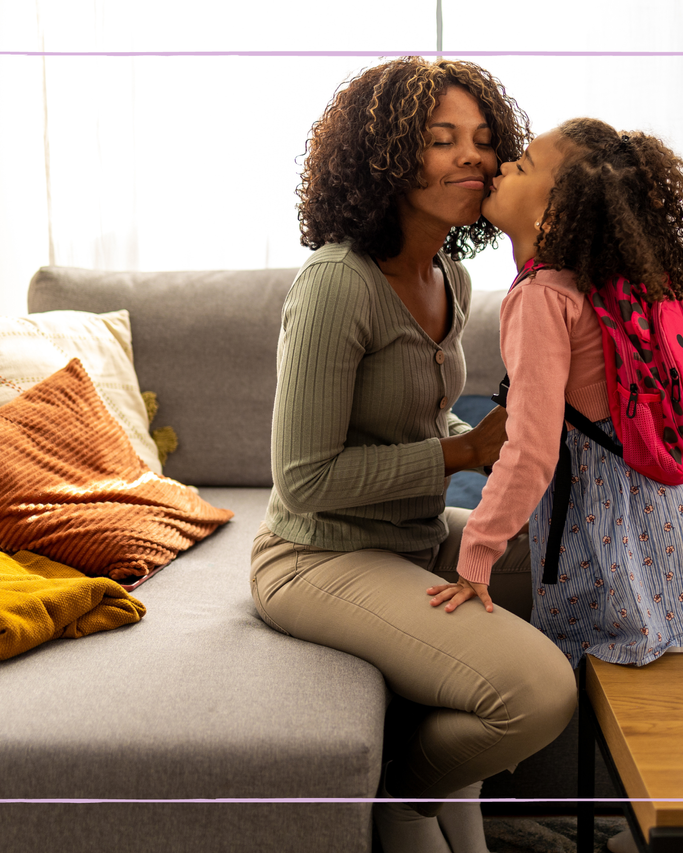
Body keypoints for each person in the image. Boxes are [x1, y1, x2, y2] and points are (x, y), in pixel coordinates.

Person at [249, 57, 577, 853]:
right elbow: (304, 479)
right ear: (387, 157)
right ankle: (407, 793)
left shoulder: (452, 278)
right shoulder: (337, 284)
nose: (472, 155)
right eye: (441, 141)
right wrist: (463, 450)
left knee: (567, 563)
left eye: (482, 139)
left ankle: (460, 804)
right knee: (538, 693)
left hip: (413, 533)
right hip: (317, 555)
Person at [431, 117, 683, 665]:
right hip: (669, 512)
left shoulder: (540, 297)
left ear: (553, 213)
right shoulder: (612, 287)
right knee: (665, 697)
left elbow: (531, 448)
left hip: (609, 527)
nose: (506, 164)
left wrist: (476, 555)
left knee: (603, 687)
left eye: (525, 164)